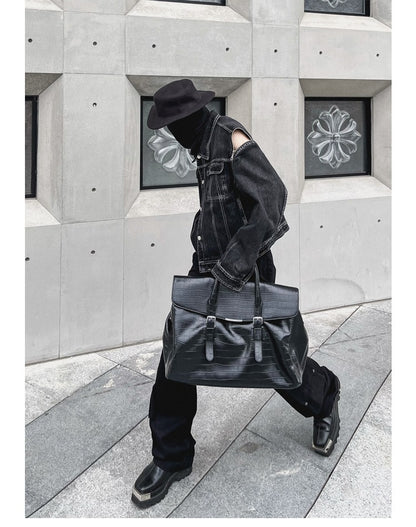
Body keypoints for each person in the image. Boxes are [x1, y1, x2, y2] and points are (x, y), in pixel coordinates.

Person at [131, 79, 341, 509]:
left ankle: (324, 397)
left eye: (174, 124)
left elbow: (273, 197)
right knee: (177, 354)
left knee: (272, 357)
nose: (172, 133)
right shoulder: (202, 146)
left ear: (191, 116)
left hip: (245, 269)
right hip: (208, 266)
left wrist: (234, 265)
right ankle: (171, 457)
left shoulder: (231, 139)